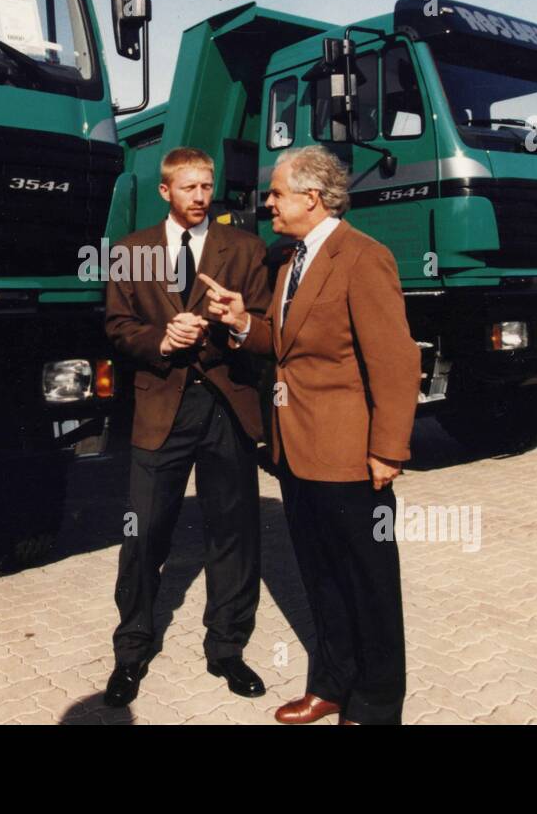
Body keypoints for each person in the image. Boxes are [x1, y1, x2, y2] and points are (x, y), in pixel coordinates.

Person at [201, 145, 421, 725]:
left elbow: (396, 363)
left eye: (277, 193)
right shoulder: (287, 259)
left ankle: (375, 707)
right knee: (320, 581)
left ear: (312, 198)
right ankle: (330, 686)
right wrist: (240, 320)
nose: (268, 202)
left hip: (351, 457)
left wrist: (386, 451)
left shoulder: (363, 257)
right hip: (295, 453)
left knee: (369, 588)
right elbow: (283, 340)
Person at [102, 147, 272, 707]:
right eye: (189, 188)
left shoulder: (245, 249)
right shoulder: (132, 251)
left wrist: (237, 323)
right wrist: (160, 340)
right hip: (161, 406)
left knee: (234, 532)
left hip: (227, 405)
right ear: (165, 192)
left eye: (207, 186)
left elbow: (268, 323)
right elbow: (118, 326)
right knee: (144, 532)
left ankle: (227, 649)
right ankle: (131, 653)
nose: (201, 197)